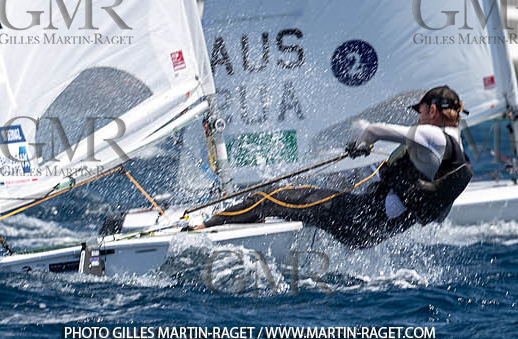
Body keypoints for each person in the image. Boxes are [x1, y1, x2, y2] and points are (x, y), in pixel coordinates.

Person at [202, 85, 473, 248]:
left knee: (270, 196)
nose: (420, 117)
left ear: (434, 111)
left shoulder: (434, 136)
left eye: (422, 111)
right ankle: (247, 219)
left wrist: (361, 143)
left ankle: (207, 226)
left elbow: (375, 129)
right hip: (374, 230)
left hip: (361, 217)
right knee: (311, 197)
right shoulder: (457, 154)